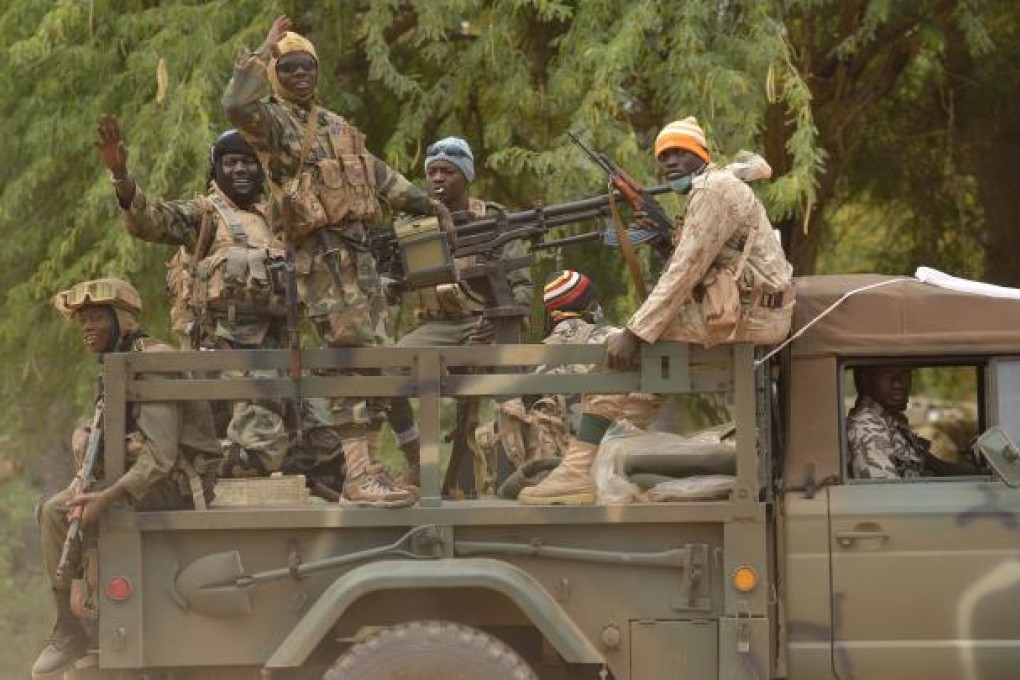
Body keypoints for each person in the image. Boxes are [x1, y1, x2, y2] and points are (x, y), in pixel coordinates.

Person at [223, 15, 452, 507]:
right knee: (348, 356)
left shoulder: (337, 126)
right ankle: (357, 475)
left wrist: (428, 204)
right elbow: (235, 105)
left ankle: (370, 468)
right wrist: (262, 50)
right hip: (322, 259)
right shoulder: (274, 124)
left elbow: (379, 176)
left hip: (360, 257)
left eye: (307, 67)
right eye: (289, 68)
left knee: (379, 358)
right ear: (276, 75)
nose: (300, 75)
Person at [519, 117, 795, 505]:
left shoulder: (713, 189)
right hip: (752, 310)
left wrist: (634, 333)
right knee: (651, 366)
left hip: (752, 314)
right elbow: (708, 261)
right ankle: (603, 452)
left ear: (701, 155)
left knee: (615, 354)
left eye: (680, 152)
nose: (670, 162)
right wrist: (665, 242)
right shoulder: (714, 188)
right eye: (664, 156)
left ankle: (576, 471)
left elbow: (685, 271)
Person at [33, 278, 220, 677]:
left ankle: (77, 631)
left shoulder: (151, 364)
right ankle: (75, 628)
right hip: (146, 481)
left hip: (174, 485)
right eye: (82, 320)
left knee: (59, 512)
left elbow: (160, 457)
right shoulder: (119, 361)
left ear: (121, 319)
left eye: (96, 318)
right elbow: (117, 426)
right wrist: (85, 432)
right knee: (52, 511)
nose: (87, 327)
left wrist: (105, 497)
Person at [95, 117, 295, 480]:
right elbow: (149, 220)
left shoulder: (277, 218)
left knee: (322, 445)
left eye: (249, 161)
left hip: (281, 353)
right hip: (221, 353)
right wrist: (121, 178)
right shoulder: (203, 216)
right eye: (231, 162)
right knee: (257, 454)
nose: (241, 169)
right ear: (216, 169)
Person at [386, 136, 534, 489]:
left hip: (484, 322)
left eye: (448, 171)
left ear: (465, 176)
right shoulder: (410, 224)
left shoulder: (493, 219)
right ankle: (414, 457)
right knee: (386, 368)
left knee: (514, 378)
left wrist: (499, 319)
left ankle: (518, 464)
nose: (438, 178)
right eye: (432, 171)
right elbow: (390, 279)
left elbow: (522, 287)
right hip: (435, 327)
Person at [846, 366, 976, 479]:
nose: (898, 383)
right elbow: (886, 495)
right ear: (865, 380)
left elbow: (932, 465)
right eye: (887, 373)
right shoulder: (867, 427)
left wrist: (976, 473)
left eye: (905, 372)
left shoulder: (892, 422)